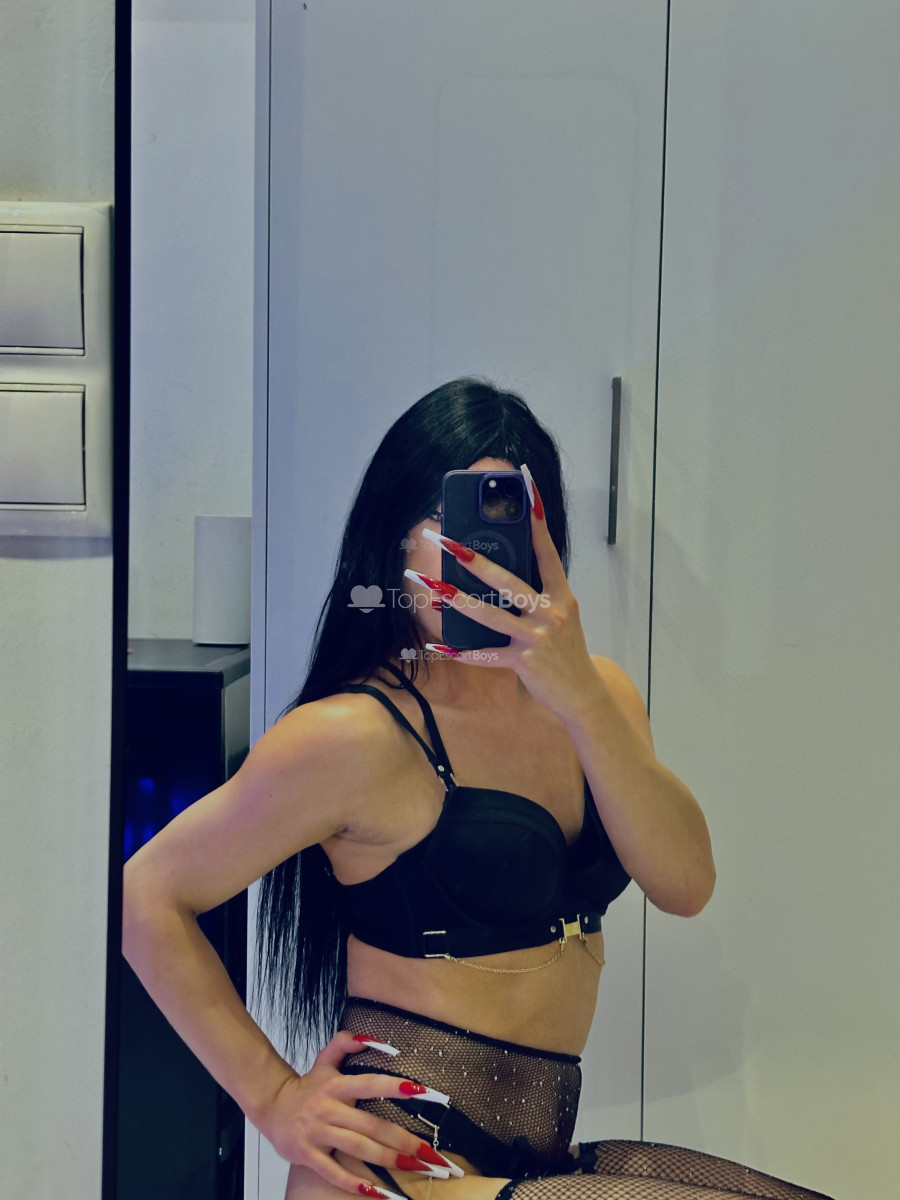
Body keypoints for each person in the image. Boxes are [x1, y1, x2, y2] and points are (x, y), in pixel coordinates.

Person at [123, 378, 834, 1200]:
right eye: (451, 521)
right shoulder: (355, 734)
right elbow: (148, 896)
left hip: (526, 1160)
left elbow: (687, 883)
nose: (478, 557)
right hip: (398, 1165)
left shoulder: (599, 697)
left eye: (510, 522)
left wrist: (579, 695)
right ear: (395, 540)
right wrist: (274, 1098)